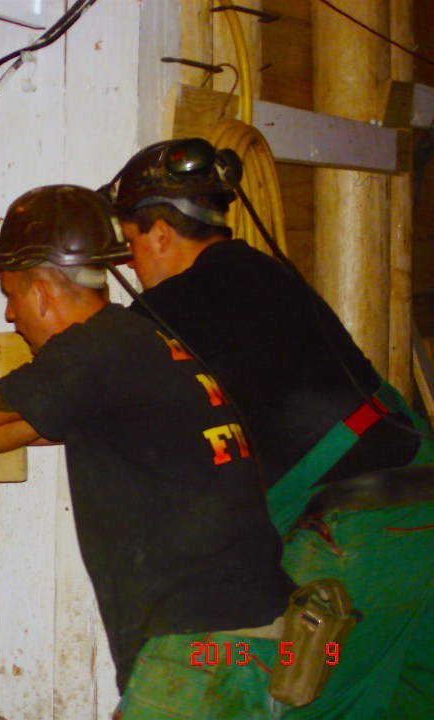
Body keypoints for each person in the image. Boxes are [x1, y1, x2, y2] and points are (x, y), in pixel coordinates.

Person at [0, 184, 296, 719]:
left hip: (201, 643)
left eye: (12, 297)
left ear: (43, 290)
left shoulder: (93, 349)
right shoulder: (138, 344)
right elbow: (20, 428)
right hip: (245, 634)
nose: (13, 315)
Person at [103, 138, 434, 718]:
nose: (131, 264)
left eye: (130, 243)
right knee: (397, 700)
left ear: (159, 233)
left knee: (277, 688)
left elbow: (84, 388)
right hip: (420, 516)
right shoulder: (266, 274)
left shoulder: (174, 306)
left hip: (354, 542)